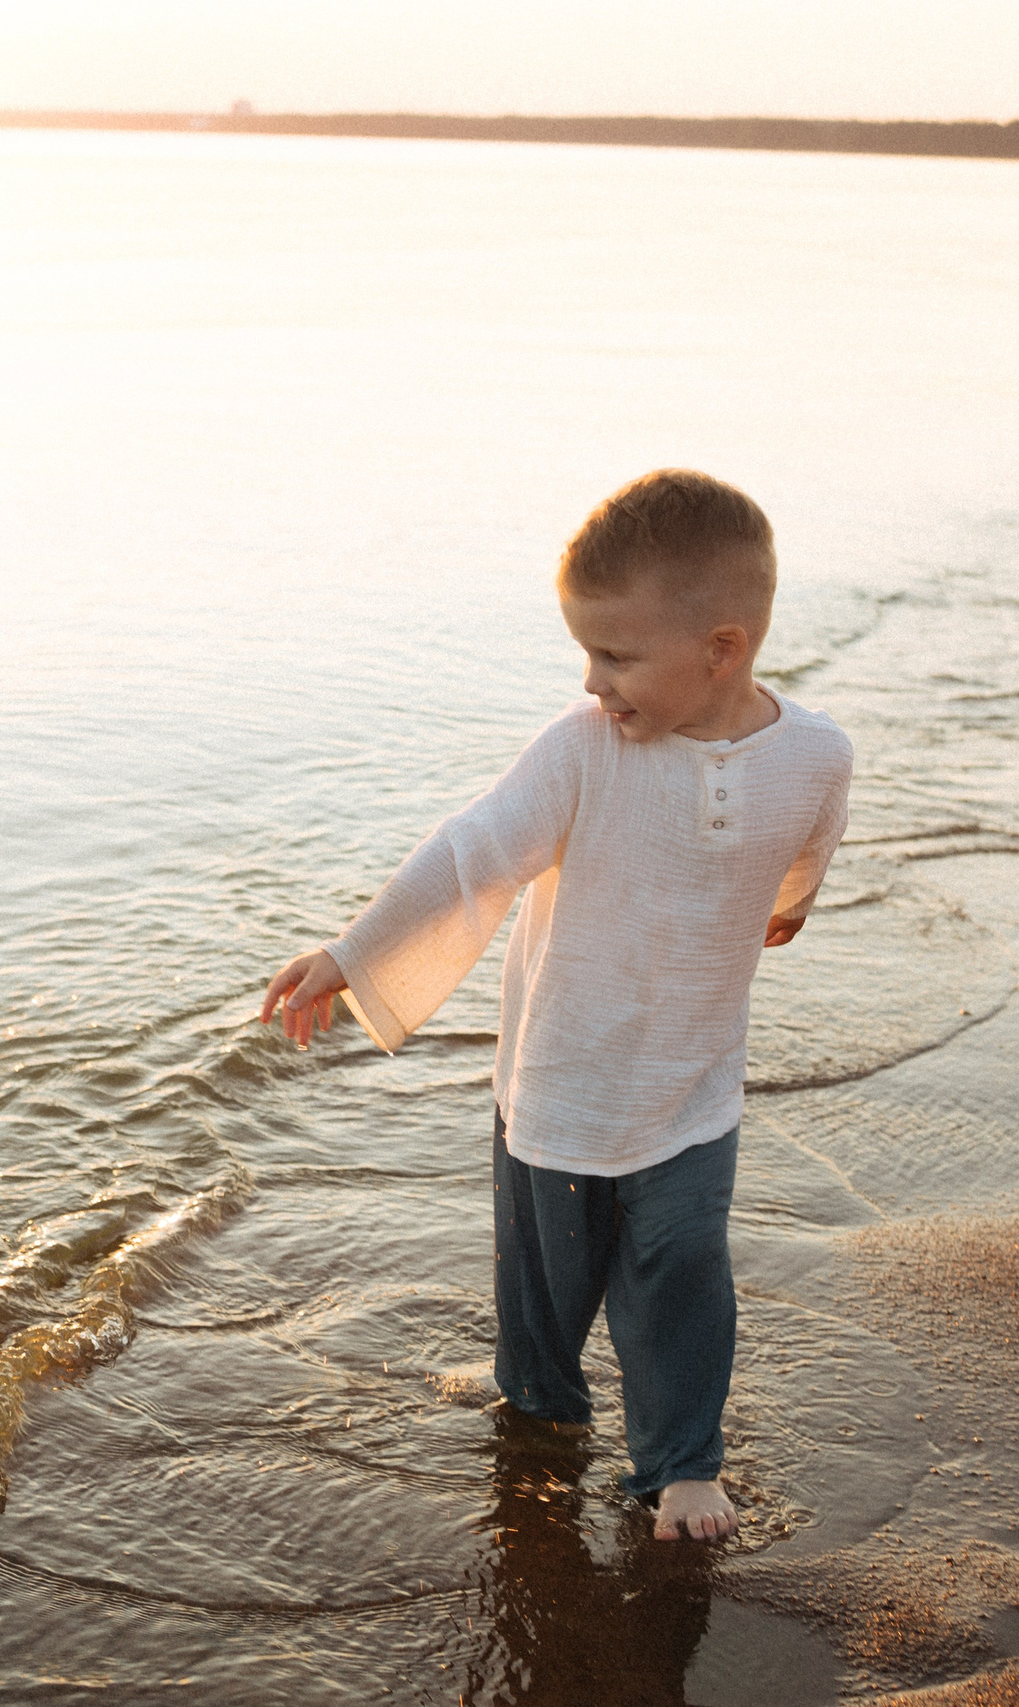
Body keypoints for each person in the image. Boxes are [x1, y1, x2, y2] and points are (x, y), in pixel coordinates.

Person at [259, 468, 852, 1542]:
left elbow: (804, 848)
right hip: (558, 1084)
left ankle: (681, 1465)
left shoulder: (815, 756)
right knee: (542, 1295)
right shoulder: (581, 749)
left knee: (680, 1269)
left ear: (721, 649)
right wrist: (352, 953)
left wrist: (788, 906)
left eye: (616, 655)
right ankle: (536, 1411)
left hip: (689, 1085)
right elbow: (472, 851)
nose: (593, 681)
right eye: (585, 652)